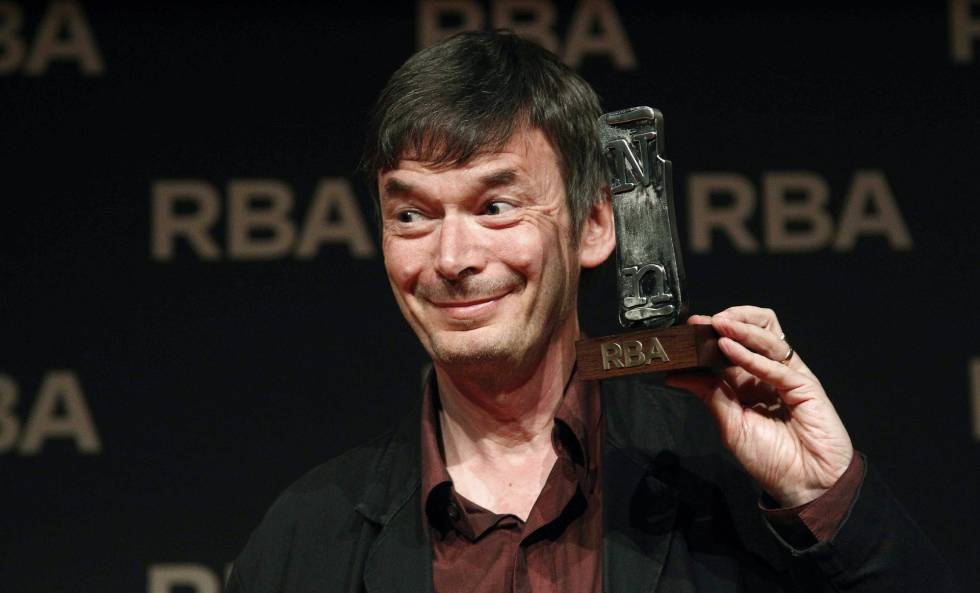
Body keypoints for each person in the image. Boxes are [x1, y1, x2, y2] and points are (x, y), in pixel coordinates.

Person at [227, 31, 957, 593]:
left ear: (596, 225)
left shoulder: (730, 487)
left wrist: (826, 499)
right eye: (412, 214)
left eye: (496, 205)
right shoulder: (305, 539)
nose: (451, 257)